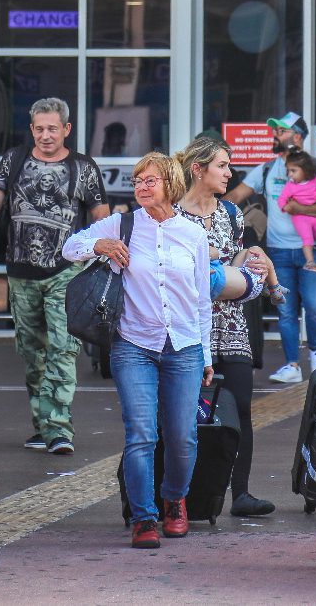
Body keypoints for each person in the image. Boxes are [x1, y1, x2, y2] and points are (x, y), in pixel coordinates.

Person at [62, 152, 212, 549]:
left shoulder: (194, 235)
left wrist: (207, 356)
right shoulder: (123, 224)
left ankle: (174, 499)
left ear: (171, 184)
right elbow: (69, 248)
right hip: (133, 345)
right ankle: (144, 518)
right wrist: (101, 244)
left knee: (183, 436)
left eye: (151, 180)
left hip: (184, 346)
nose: (142, 187)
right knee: (141, 434)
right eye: (137, 181)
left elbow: (201, 301)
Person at [0, 98, 109, 455]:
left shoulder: (83, 167)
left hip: (67, 273)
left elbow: (100, 215)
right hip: (20, 274)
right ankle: (43, 423)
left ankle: (59, 429)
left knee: (63, 348)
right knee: (33, 355)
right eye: (39, 128)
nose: (46, 135)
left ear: (67, 129)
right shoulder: (14, 160)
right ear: (32, 129)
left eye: (53, 128)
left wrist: (100, 255)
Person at [174, 136, 281, 518]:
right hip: (186, 329)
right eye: (221, 165)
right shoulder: (171, 215)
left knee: (242, 407)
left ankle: (241, 493)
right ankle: (181, 495)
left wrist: (246, 269)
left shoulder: (232, 214)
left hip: (232, 323)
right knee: (183, 410)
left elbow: (240, 261)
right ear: (198, 169)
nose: (229, 172)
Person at [225, 112, 316, 383]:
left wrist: (298, 207)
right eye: (275, 131)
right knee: (285, 310)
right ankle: (292, 365)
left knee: (315, 306)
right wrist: (209, 208)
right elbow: (237, 195)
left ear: (297, 137)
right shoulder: (267, 168)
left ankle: (315, 351)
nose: (275, 136)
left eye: (281, 132)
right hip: (277, 251)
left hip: (309, 249)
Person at [278, 150, 316, 274]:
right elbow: (281, 198)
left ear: (306, 170)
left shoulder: (315, 181)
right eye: (288, 171)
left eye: (293, 171)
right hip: (299, 218)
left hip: (315, 217)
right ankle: (310, 262)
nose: (290, 174)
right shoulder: (290, 186)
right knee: (308, 238)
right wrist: (284, 207)